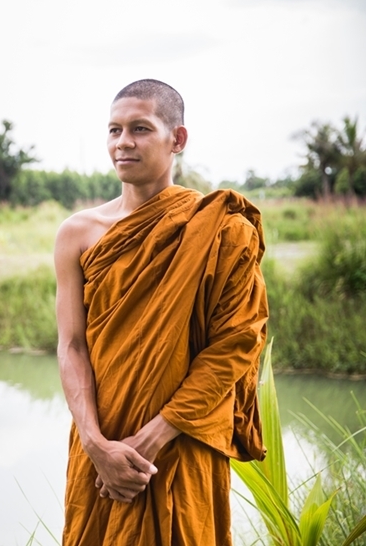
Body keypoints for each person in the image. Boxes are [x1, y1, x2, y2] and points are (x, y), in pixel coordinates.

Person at [53, 79, 268, 545]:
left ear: (178, 139)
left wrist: (154, 436)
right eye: (114, 130)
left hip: (180, 442)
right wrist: (95, 444)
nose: (123, 142)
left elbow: (236, 346)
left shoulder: (222, 230)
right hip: (101, 445)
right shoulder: (78, 233)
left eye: (140, 128)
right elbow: (71, 345)